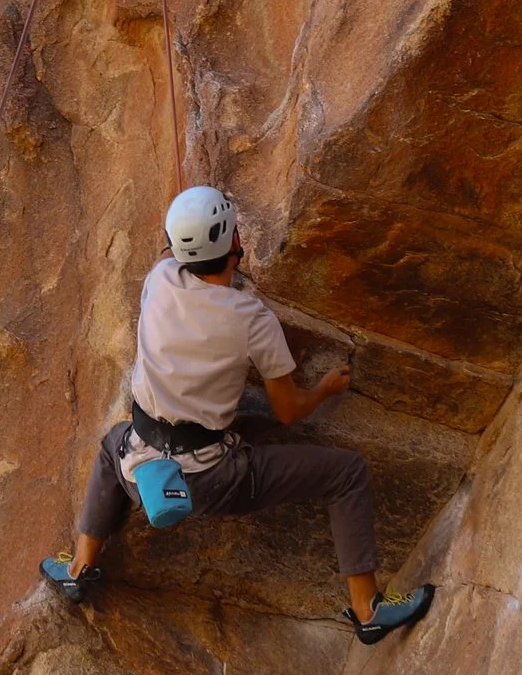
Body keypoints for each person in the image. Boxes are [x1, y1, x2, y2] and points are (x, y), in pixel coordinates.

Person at [41, 185, 436, 645]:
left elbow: (178, 255)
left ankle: (79, 568)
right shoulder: (251, 318)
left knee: (113, 444)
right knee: (346, 474)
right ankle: (368, 610)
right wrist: (324, 389)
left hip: (137, 463)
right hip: (213, 482)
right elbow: (288, 411)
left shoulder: (160, 278)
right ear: (233, 241)